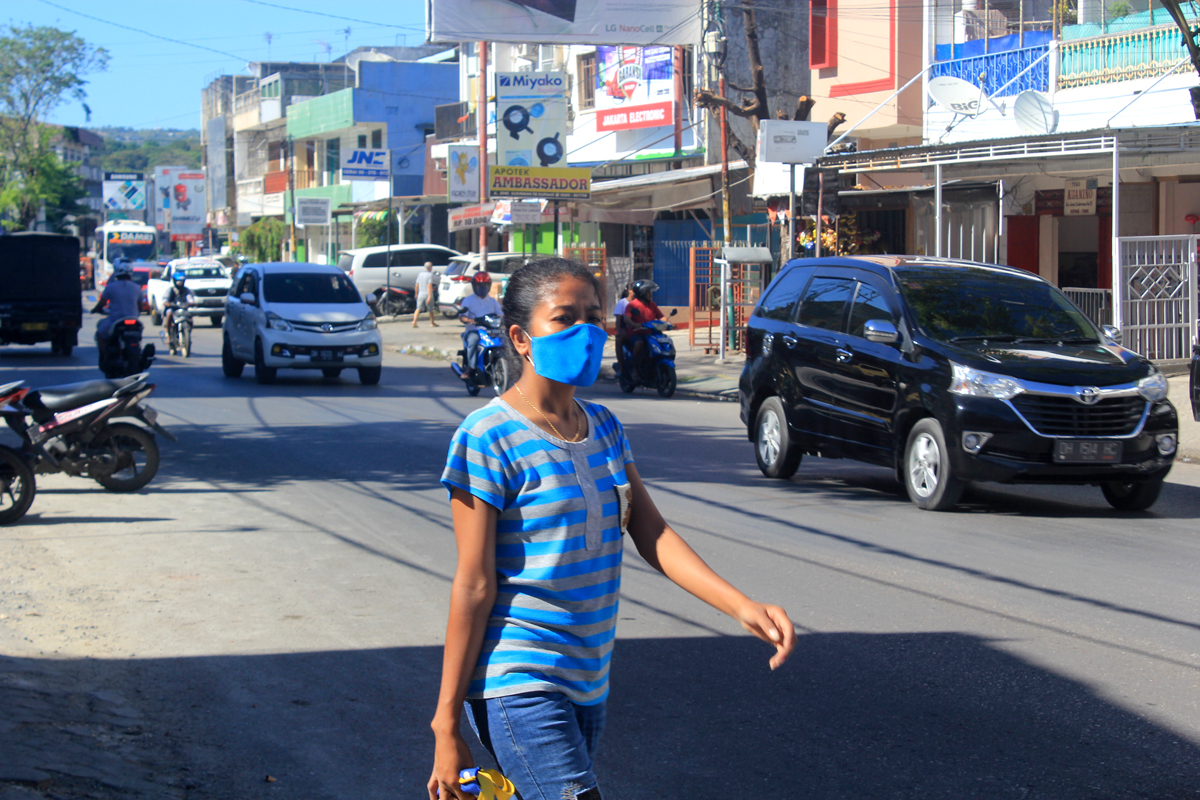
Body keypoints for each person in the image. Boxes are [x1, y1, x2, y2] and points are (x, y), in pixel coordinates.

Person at [429, 258, 795, 800]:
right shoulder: (487, 436)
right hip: (519, 678)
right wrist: (445, 725)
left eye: (593, 316)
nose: (585, 330)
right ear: (520, 337)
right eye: (564, 318)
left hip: (588, 676)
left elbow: (652, 533)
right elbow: (475, 586)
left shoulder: (603, 426)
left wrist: (742, 606)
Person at [458, 271, 502, 379]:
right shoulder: (468, 300)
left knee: (505, 340)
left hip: (490, 330)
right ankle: (471, 368)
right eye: (479, 285)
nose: (482, 288)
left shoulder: (493, 301)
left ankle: (504, 365)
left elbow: (501, 314)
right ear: (474, 286)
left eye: (485, 285)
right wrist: (469, 320)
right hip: (474, 330)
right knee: (472, 341)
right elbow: (462, 316)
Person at [90, 260, 141, 345]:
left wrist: (95, 309)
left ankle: (105, 356)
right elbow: (140, 306)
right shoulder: (137, 287)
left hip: (115, 319)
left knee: (100, 333)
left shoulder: (110, 287)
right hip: (134, 319)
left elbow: (102, 303)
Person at [625, 279, 664, 379]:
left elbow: (662, 317)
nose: (650, 294)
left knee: (664, 341)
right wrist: (634, 324)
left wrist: (669, 323)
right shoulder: (632, 305)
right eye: (648, 292)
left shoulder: (652, 305)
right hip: (636, 334)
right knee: (639, 344)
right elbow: (627, 318)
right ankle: (634, 369)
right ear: (641, 293)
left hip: (651, 333)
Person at [162, 270, 196, 355]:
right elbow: (165, 299)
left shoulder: (186, 290)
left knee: (190, 318)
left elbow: (190, 298)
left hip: (183, 310)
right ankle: (169, 334)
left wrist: (192, 302)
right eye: (179, 281)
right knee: (169, 313)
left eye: (182, 281)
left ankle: (187, 333)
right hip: (173, 309)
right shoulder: (170, 290)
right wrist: (167, 303)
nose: (180, 283)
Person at [612, 282, 632, 375]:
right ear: (629, 291)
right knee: (619, 340)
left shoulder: (641, 302)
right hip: (626, 329)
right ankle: (621, 367)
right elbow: (619, 319)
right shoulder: (623, 302)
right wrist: (619, 331)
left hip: (640, 329)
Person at [413, 261, 440, 328]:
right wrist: (429, 296)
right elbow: (429, 285)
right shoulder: (430, 275)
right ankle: (432, 323)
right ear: (431, 267)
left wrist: (416, 293)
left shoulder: (420, 274)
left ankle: (414, 321)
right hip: (427, 294)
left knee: (418, 308)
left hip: (420, 294)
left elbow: (416, 285)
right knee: (430, 309)